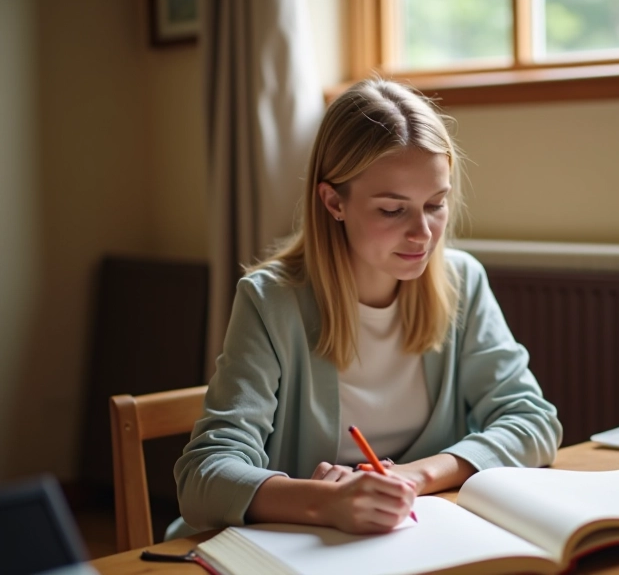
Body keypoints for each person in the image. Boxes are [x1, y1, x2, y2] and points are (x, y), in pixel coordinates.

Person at [169, 78, 562, 539]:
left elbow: (533, 420)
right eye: (393, 210)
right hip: (298, 552)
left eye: (436, 204)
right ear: (333, 201)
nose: (423, 233)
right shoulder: (272, 302)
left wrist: (414, 477)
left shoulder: (461, 281)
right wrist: (325, 503)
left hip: (418, 539)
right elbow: (203, 476)